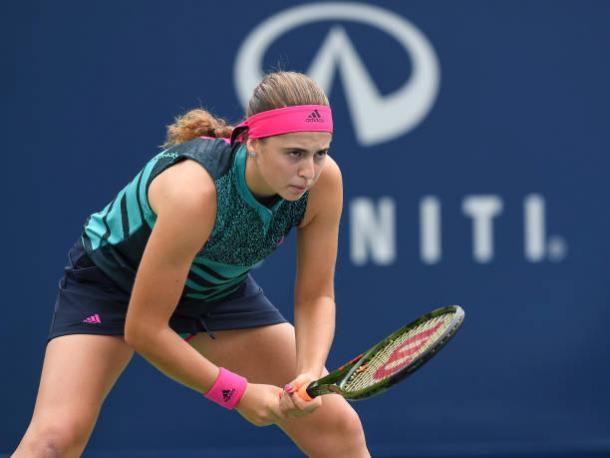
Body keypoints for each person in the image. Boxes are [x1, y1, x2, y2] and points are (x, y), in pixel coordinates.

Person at [13, 71, 370, 457]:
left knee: (337, 426)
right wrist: (239, 394)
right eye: (294, 153)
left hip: (214, 290)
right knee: (54, 442)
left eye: (321, 153)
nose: (308, 171)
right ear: (253, 142)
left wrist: (310, 370)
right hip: (111, 286)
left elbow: (316, 295)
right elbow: (144, 329)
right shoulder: (196, 193)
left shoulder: (323, 184)